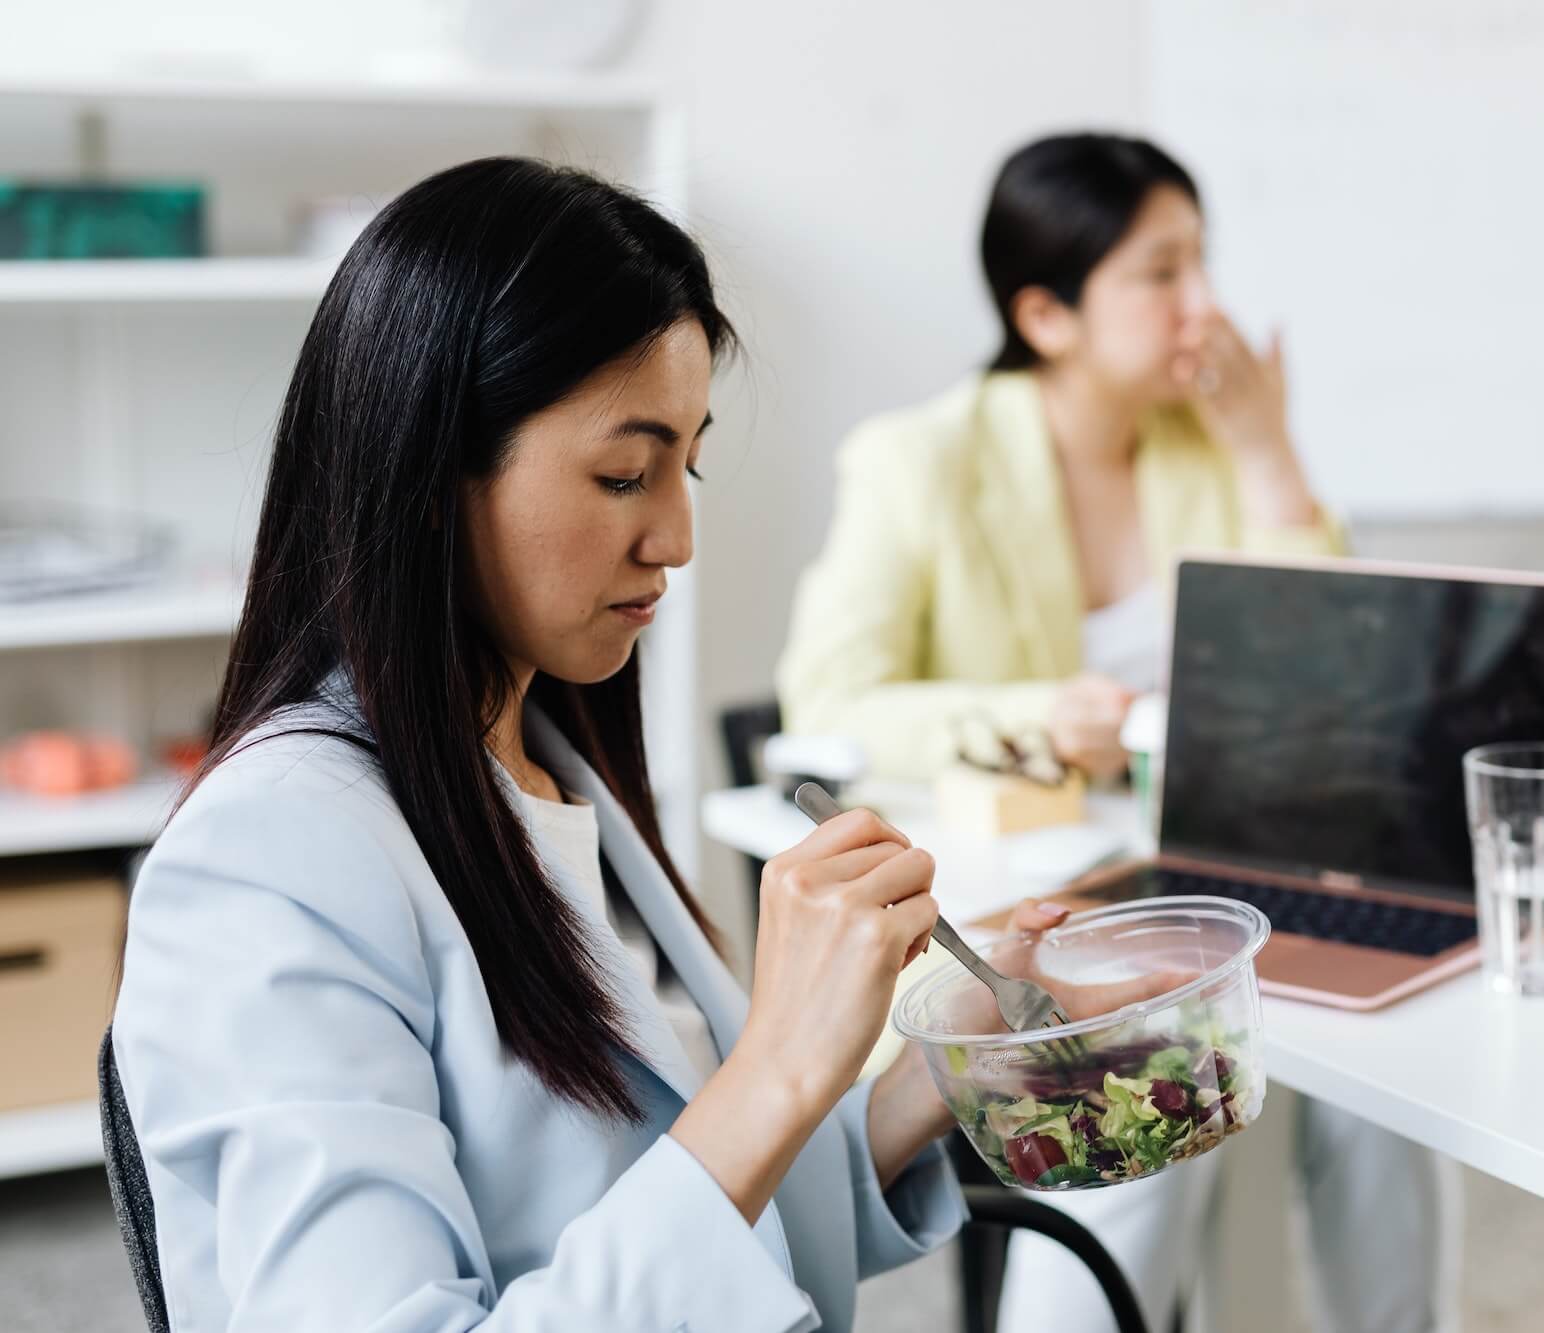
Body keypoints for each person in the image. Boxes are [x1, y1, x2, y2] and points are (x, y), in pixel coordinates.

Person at [112, 157, 1086, 1333]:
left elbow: (708, 1198)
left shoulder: (547, 774)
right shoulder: (273, 856)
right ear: (430, 475)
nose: (674, 535)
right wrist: (775, 1064)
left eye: (687, 463)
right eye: (624, 473)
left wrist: (939, 1058)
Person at [778, 133, 1450, 1333]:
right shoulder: (917, 461)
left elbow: (1328, 680)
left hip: (1205, 870)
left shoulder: (1206, 446)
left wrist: (1266, 451)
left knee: (1381, 1084)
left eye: (1203, 263)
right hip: (1016, 908)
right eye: (1160, 273)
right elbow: (826, 705)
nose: (1205, 308)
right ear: (1045, 312)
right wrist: (1039, 714)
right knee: (1138, 1071)